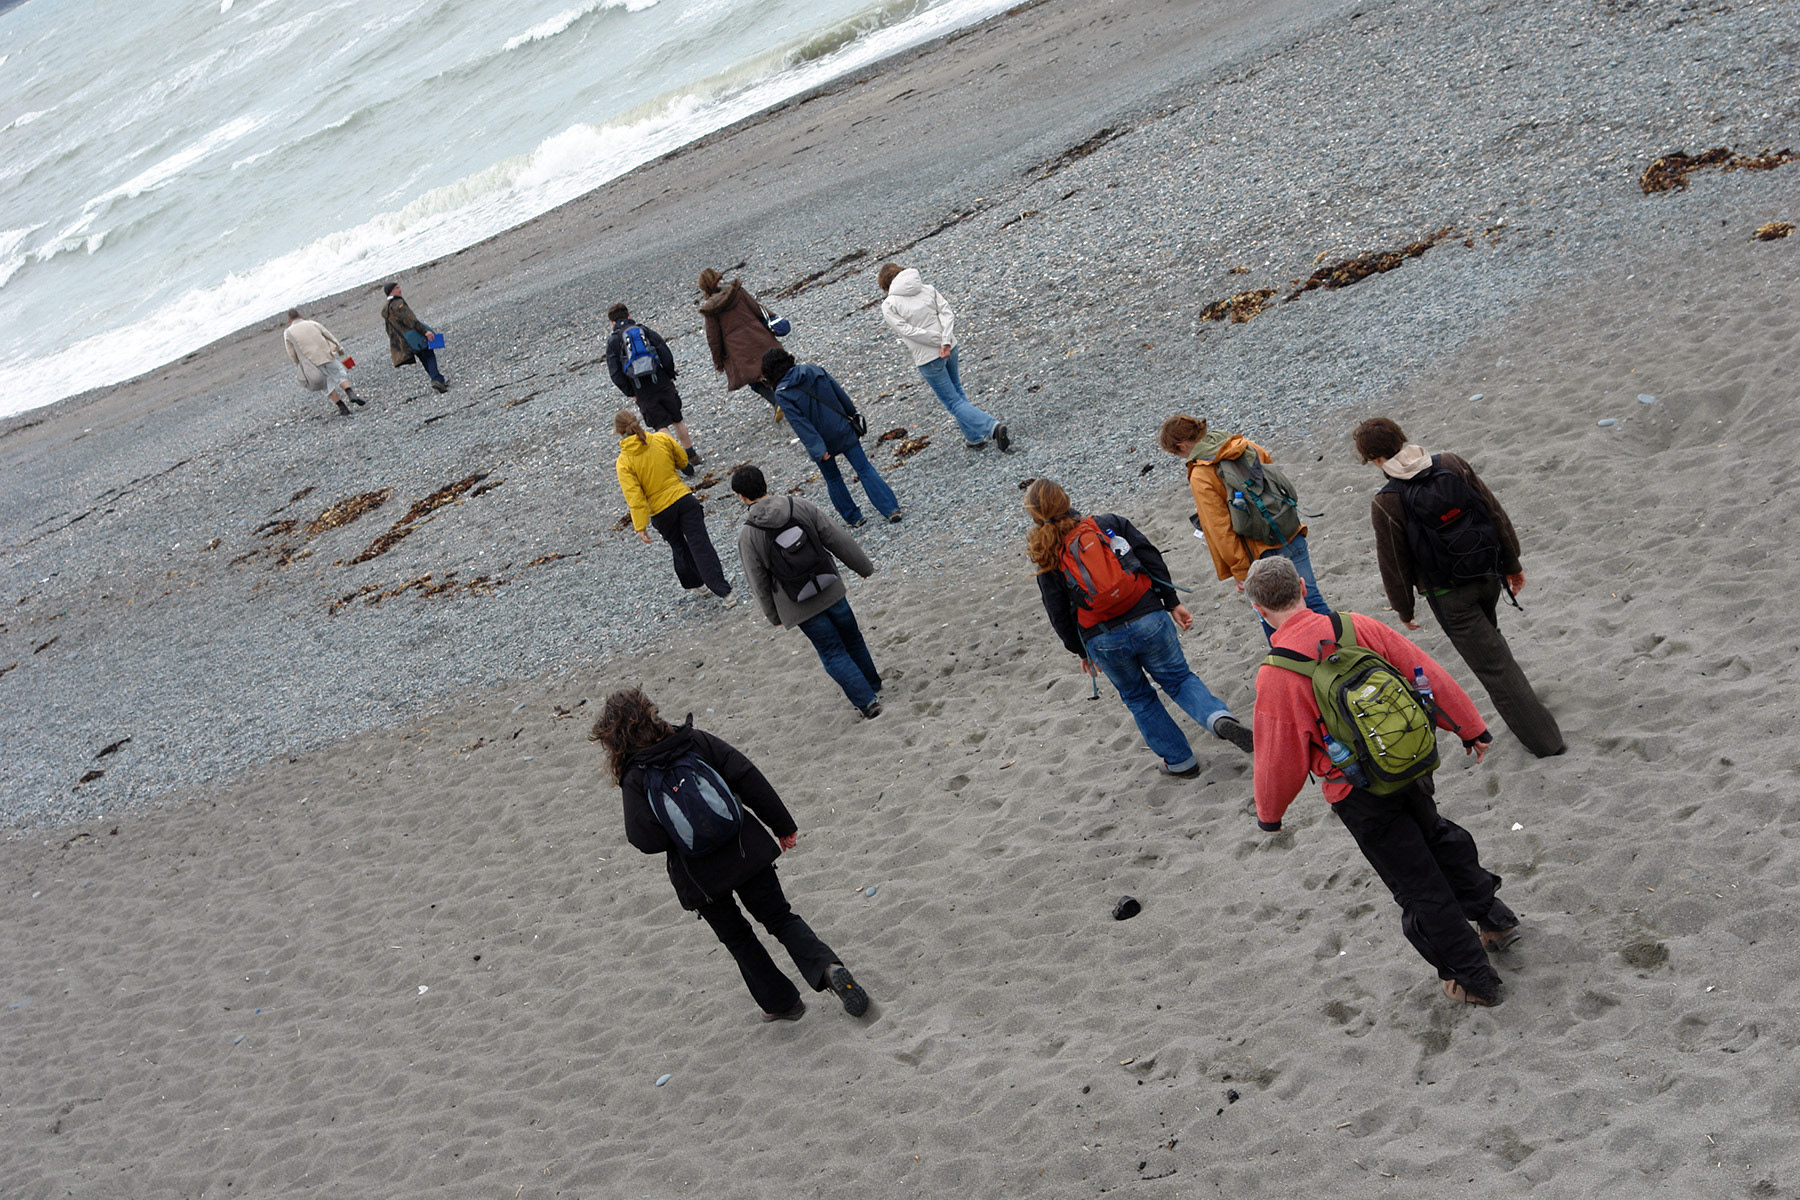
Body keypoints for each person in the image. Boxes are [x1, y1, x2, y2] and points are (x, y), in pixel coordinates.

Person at [1244, 555, 1518, 1007]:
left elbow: (1279, 758)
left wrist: (1269, 815)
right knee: (1438, 837)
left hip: (1357, 792)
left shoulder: (1277, 674)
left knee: (1417, 884)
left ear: (1259, 609)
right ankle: (1496, 921)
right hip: (1408, 765)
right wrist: (1469, 727)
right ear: (1302, 587)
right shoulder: (1355, 626)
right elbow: (1423, 671)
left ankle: (1475, 981)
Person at [595, 688, 871, 1022]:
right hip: (746, 849)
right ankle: (828, 969)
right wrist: (783, 825)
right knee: (780, 918)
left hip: (699, 878)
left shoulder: (635, 777)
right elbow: (746, 775)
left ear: (614, 738)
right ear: (651, 712)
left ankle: (783, 1004)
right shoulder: (694, 740)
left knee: (739, 939)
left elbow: (643, 839)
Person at [1352, 417, 1565, 758]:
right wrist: (1513, 564)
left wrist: (1404, 609)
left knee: (1494, 668)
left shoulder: (1386, 501)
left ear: (1374, 459)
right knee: (1493, 647)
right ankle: (1532, 715)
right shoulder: (1450, 462)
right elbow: (1494, 512)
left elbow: (1393, 563)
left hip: (1450, 596)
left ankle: (1547, 743)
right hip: (1487, 574)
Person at [1025, 478, 1254, 777]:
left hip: (1103, 638)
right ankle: (1217, 718)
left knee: (1139, 698)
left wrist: (1081, 651)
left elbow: (1057, 612)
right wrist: (1172, 601)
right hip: (1148, 617)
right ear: (1067, 500)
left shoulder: (1048, 554)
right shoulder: (1107, 524)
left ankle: (1180, 762)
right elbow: (1150, 558)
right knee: (1179, 678)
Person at [1158, 413, 1330, 640]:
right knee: (1311, 600)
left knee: (1271, 616)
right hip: (1289, 532)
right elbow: (1271, 475)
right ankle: (1342, 649)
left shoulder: (1201, 473)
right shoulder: (1243, 445)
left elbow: (1220, 529)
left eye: (1176, 453)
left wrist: (1240, 571)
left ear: (1181, 446)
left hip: (1258, 551)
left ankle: (1299, 665)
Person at [732, 464, 884, 718]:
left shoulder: (748, 535)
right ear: (766, 484)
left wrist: (773, 615)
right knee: (853, 638)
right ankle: (873, 683)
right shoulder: (799, 505)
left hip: (799, 603)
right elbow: (836, 538)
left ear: (742, 497)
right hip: (830, 587)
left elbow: (757, 581)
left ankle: (868, 702)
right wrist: (863, 567)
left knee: (832, 651)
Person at [876, 263, 1010, 452]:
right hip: (951, 347)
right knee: (957, 393)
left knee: (953, 402)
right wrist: (945, 340)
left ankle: (992, 427)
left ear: (885, 285)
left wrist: (937, 342)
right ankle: (974, 438)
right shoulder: (927, 289)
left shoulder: (889, 304)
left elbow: (907, 331)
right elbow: (947, 313)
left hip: (929, 358)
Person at [762, 348, 902, 528]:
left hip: (821, 441)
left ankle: (854, 517)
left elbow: (801, 425)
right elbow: (840, 394)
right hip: (842, 428)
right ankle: (891, 509)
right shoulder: (813, 369)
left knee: (833, 479)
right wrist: (851, 415)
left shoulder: (782, 393)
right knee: (864, 469)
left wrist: (818, 449)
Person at [614, 411, 734, 606]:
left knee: (679, 546)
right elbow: (683, 461)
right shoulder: (661, 438)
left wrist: (640, 525)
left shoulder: (624, 462)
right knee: (701, 545)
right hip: (683, 499)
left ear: (619, 433)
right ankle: (725, 593)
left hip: (661, 511)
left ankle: (697, 584)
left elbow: (635, 497)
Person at [605, 302, 699, 473]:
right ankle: (691, 454)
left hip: (641, 390)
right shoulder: (644, 330)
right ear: (629, 315)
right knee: (677, 419)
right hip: (662, 381)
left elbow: (615, 374)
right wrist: (670, 374)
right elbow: (665, 352)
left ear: (612, 322)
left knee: (661, 426)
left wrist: (631, 392)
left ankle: (682, 462)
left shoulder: (613, 342)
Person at [698, 268, 783, 415]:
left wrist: (718, 363)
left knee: (753, 380)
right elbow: (757, 309)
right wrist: (775, 320)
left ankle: (776, 400)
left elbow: (714, 340)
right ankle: (788, 398)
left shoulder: (710, 309)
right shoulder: (737, 291)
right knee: (774, 370)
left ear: (704, 287)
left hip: (739, 350)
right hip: (759, 337)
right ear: (719, 278)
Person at [282, 308, 363, 416]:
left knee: (326, 386)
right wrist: (339, 348)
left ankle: (343, 408)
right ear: (300, 316)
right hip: (326, 355)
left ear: (289, 320)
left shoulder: (288, 332)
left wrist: (299, 364)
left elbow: (291, 353)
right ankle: (350, 393)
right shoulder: (312, 323)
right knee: (339, 374)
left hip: (312, 363)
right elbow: (328, 335)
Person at [381, 282, 448, 394]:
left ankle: (438, 379)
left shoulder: (386, 308)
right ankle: (436, 379)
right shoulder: (398, 303)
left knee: (423, 358)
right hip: (414, 334)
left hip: (405, 339)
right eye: (397, 288)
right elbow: (411, 320)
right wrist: (425, 331)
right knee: (429, 354)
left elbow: (389, 329)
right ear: (391, 291)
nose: (400, 289)